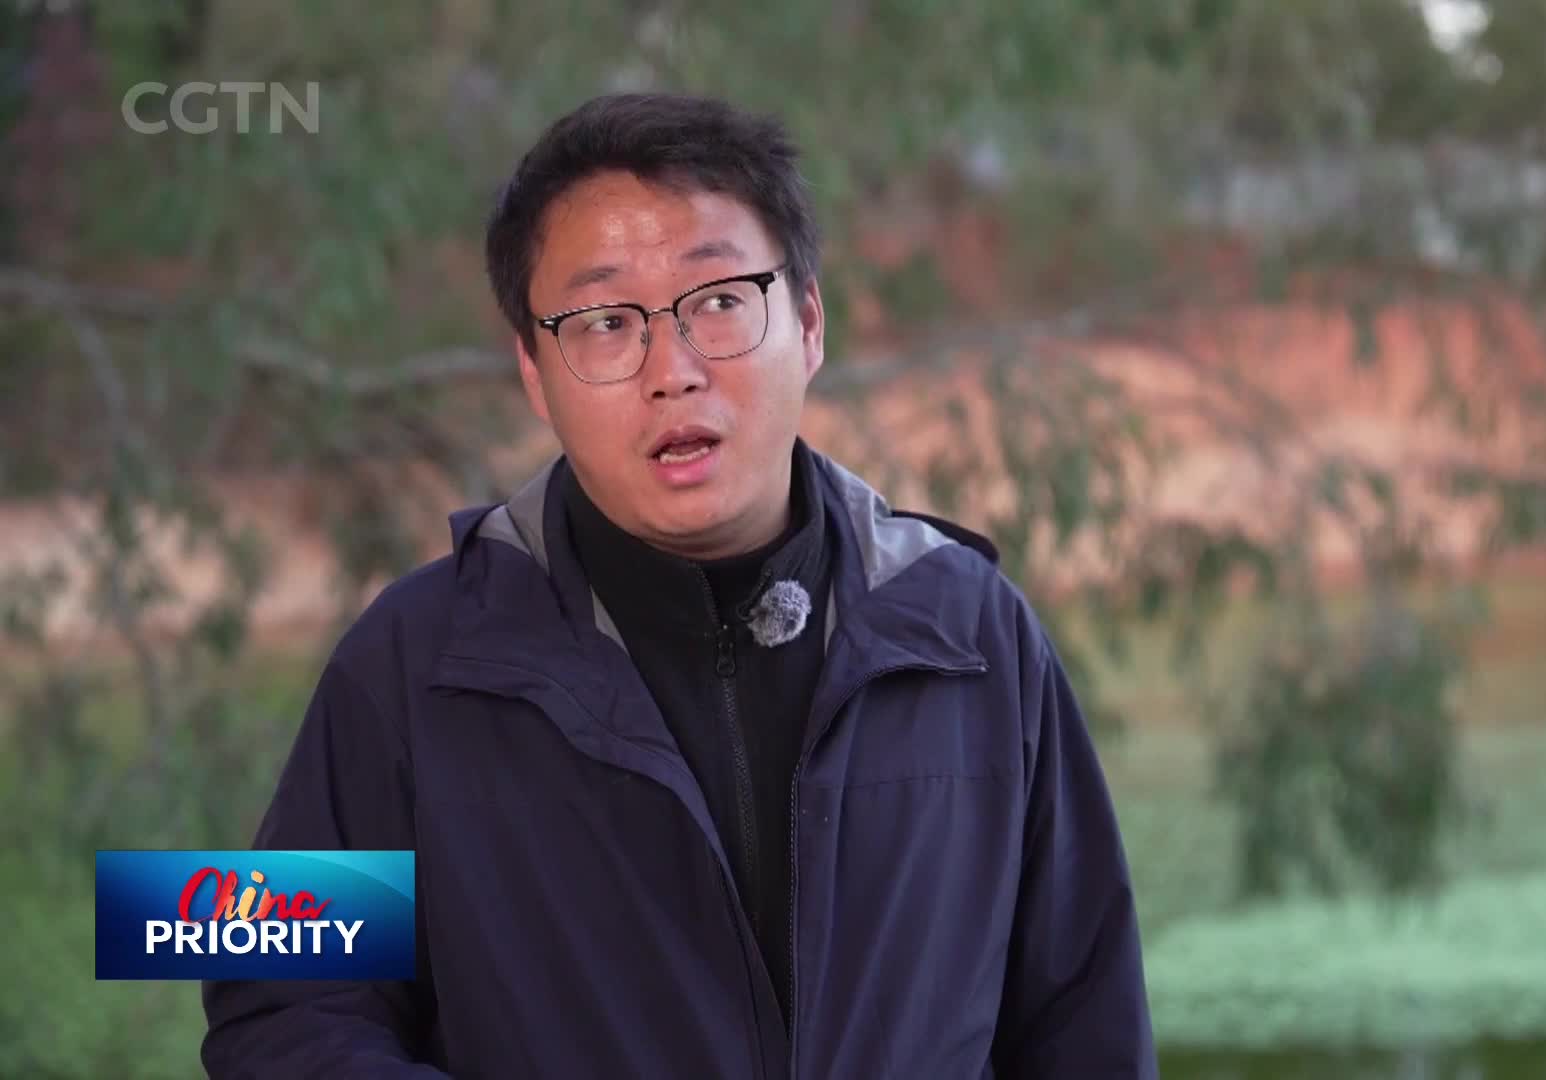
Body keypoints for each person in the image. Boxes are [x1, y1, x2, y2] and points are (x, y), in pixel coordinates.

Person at [201, 91, 1156, 1078]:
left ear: (810, 322)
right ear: (534, 370)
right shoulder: (412, 662)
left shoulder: (968, 633)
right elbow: (279, 1005)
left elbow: (1086, 1018)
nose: (673, 369)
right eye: (606, 321)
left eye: (719, 303)